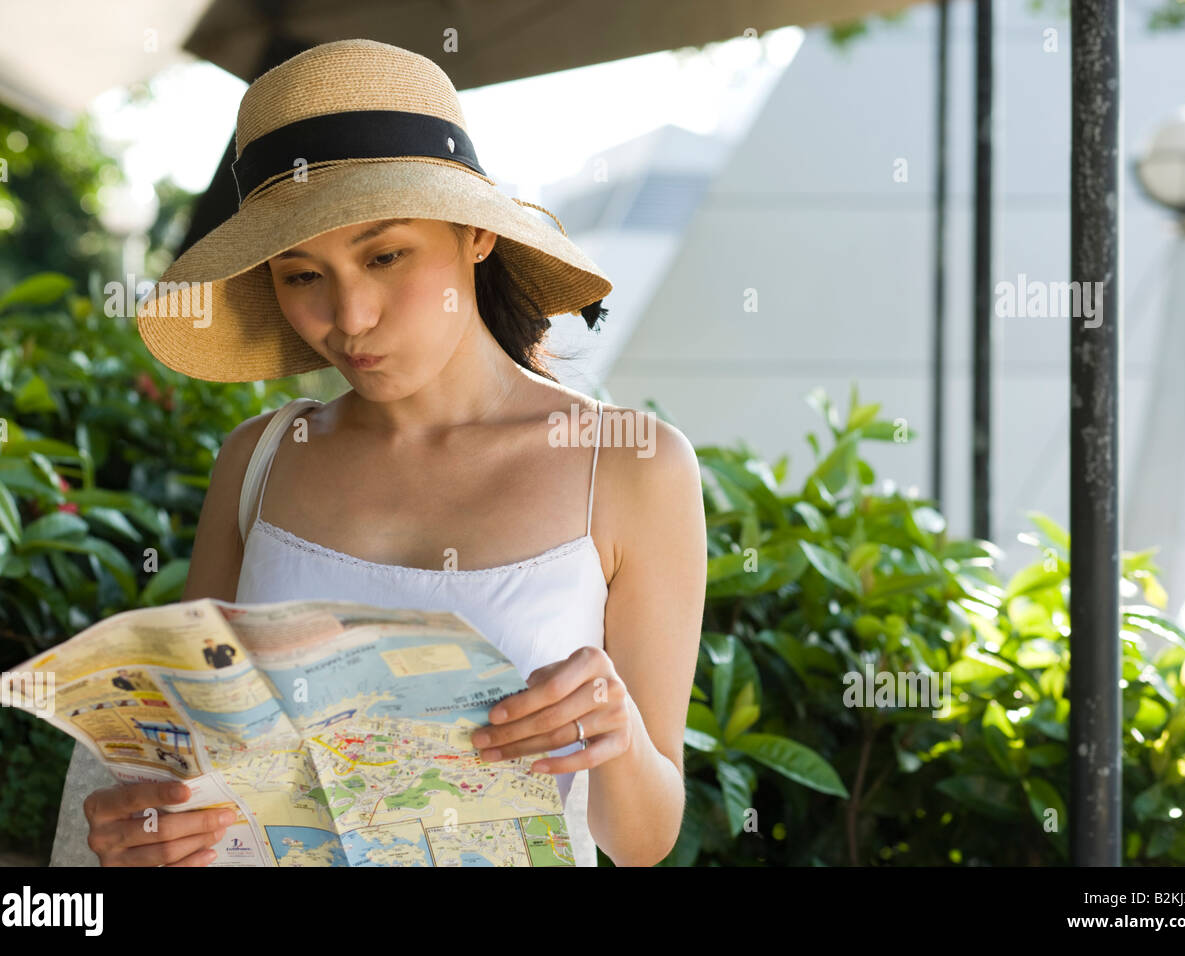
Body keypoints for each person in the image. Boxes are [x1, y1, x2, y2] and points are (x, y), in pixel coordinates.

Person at [62, 38, 705, 868]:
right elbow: (195, 767)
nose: (349, 316)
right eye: (302, 276)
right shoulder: (259, 461)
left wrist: (613, 728)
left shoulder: (629, 467)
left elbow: (646, 840)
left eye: (384, 255)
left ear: (476, 234)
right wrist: (145, 827)